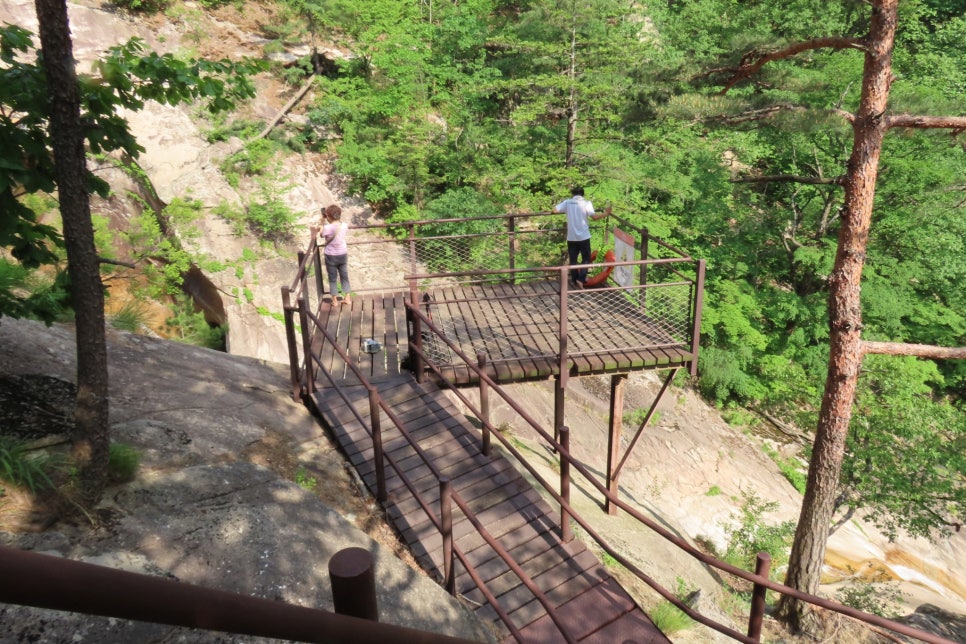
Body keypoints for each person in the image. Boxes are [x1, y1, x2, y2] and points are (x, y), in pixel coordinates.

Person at [553, 187, 611, 289]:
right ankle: (581, 279)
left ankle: (575, 280)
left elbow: (554, 210)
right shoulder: (587, 203)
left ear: (573, 194)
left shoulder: (568, 202)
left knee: (573, 259)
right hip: (584, 236)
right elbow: (594, 217)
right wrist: (606, 213)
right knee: (586, 258)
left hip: (572, 237)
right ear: (582, 194)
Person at [320, 204, 352, 305]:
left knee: (333, 278)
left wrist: (322, 222)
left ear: (328, 216)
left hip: (331, 256)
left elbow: (321, 234)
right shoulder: (344, 225)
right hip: (342, 254)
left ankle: (334, 301)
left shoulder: (328, 227)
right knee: (344, 276)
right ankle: (347, 298)